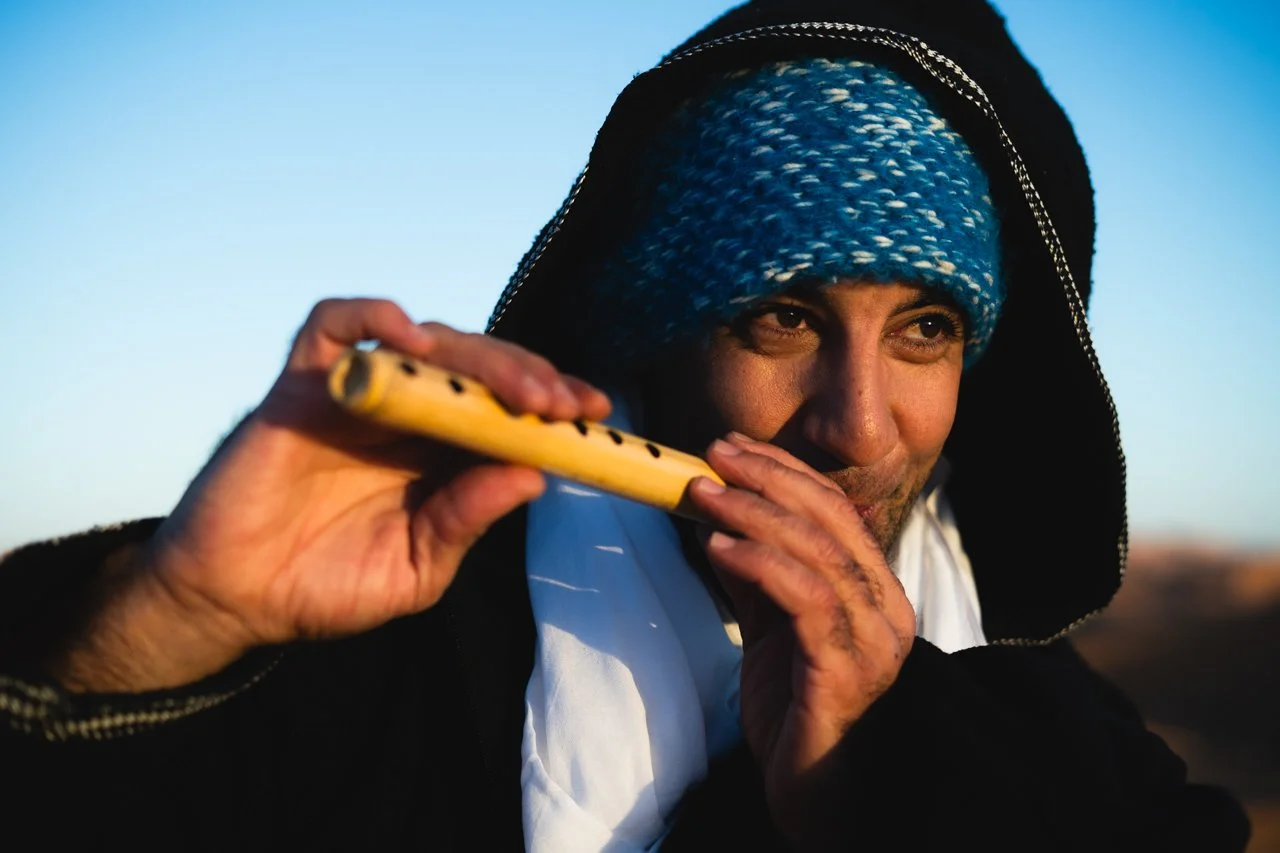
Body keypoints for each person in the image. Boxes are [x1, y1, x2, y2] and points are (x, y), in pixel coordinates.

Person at [0, 0, 1252, 850]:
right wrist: (170, 623)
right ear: (654, 337)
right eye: (780, 320)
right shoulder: (385, 657)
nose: (857, 429)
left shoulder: (1050, 733)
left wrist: (885, 788)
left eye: (924, 328)